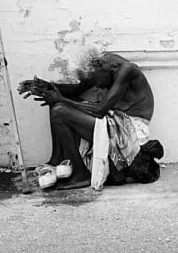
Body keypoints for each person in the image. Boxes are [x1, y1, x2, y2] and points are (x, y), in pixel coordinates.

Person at [18, 52, 156, 190]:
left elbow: (100, 110)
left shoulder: (127, 70)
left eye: (94, 80)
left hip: (131, 129)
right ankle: (56, 160)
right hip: (113, 119)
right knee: (54, 103)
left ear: (97, 66)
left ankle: (81, 174)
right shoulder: (101, 67)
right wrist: (47, 87)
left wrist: (61, 99)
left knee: (60, 110)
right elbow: (77, 90)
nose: (97, 86)